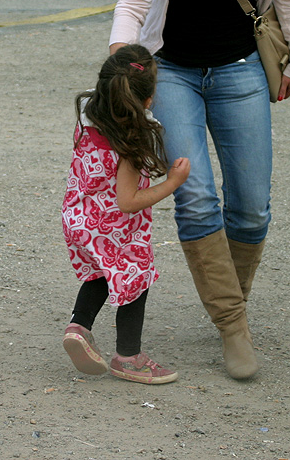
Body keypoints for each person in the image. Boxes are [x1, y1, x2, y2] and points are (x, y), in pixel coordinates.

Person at [109, 0, 290, 380]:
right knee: (194, 193)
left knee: (251, 205)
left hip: (240, 68)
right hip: (171, 69)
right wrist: (123, 62)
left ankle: (230, 303)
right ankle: (233, 327)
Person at [62, 44, 191, 384]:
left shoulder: (90, 115)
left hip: (80, 218)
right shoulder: (131, 139)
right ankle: (129, 357)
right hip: (114, 227)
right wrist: (173, 182)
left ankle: (79, 326)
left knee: (102, 273)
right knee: (136, 277)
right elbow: (128, 201)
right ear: (146, 100)